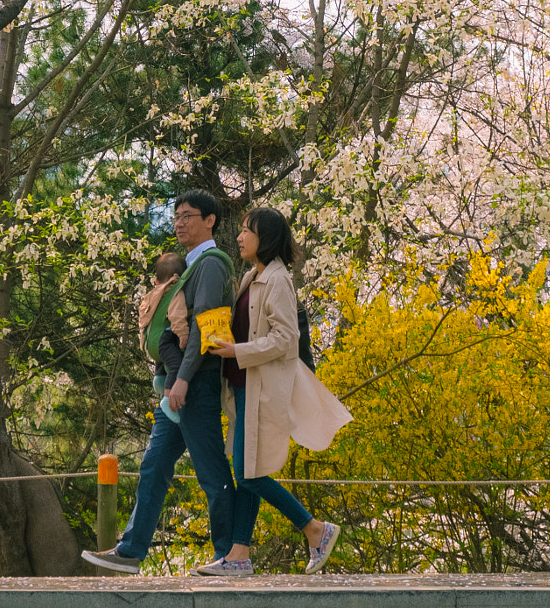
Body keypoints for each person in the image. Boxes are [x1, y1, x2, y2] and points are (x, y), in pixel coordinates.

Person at [82, 190, 237, 573]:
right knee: (153, 466)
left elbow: (204, 327)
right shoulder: (190, 266)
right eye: (177, 216)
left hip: (194, 386)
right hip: (177, 387)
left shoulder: (211, 264)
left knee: (211, 471)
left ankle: (231, 555)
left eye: (188, 215)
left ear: (210, 220)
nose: (180, 222)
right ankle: (132, 551)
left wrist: (181, 379)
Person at [200, 207, 350, 576]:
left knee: (249, 473)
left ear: (264, 237)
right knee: (249, 471)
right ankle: (238, 555)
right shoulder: (254, 276)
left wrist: (237, 351)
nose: (239, 237)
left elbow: (286, 339)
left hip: (262, 389)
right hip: (242, 389)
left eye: (247, 230)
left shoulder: (279, 280)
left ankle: (315, 529)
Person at [137, 251, 189, 423]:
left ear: (156, 281)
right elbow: (177, 315)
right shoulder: (175, 292)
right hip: (164, 340)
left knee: (164, 358)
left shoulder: (152, 294)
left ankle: (159, 377)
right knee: (176, 364)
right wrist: (182, 334)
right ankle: (167, 398)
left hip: (150, 343)